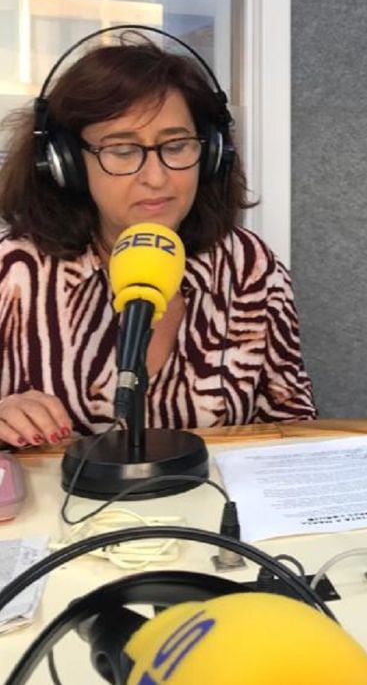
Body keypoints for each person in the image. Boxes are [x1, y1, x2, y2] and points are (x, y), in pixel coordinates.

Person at [0, 35, 317, 448]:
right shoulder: (15, 272)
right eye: (122, 149)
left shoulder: (248, 267)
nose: (156, 177)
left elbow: (292, 423)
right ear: (68, 163)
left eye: (176, 144)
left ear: (212, 152)